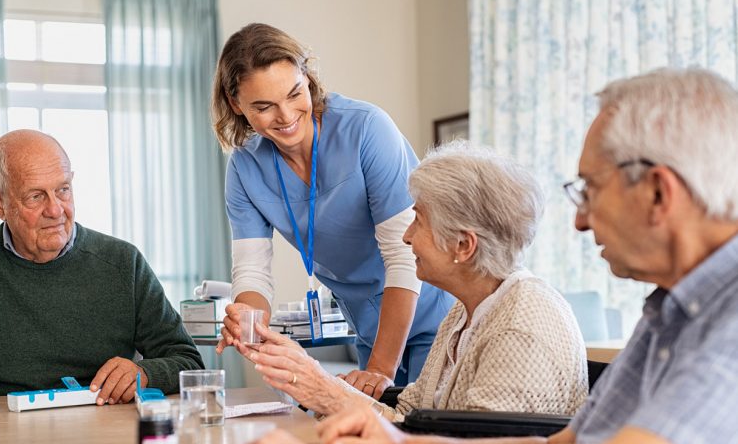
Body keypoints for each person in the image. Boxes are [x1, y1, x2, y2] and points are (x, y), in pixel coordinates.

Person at [229, 67, 738, 444]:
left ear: (658, 192)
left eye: (591, 189)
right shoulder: (673, 311)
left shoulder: (728, 318)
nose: (580, 221)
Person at [233, 141, 587, 419]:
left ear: (462, 245)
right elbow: (409, 417)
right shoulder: (465, 314)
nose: (406, 237)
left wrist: (326, 390)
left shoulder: (518, 329)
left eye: (418, 221)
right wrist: (317, 385)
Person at [212, 23, 453, 394]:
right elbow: (252, 274)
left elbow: (404, 258)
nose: (286, 115)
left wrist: (379, 372)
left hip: (434, 314)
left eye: (295, 93)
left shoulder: (367, 130)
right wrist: (247, 317)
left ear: (307, 78)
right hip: (370, 328)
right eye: (264, 106)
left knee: (424, 436)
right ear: (236, 105)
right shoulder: (245, 168)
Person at [0, 130, 204, 411]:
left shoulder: (123, 262)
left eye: (63, 190)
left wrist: (146, 373)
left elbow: (188, 362)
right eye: (35, 196)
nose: (55, 210)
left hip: (97, 433)